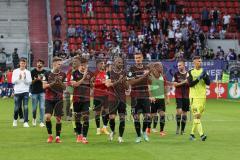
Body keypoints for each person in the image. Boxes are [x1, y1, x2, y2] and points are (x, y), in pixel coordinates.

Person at [127, 52, 151, 143]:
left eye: (139, 58)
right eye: (136, 58)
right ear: (134, 59)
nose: (137, 59)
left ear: (142, 58)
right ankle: (138, 136)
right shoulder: (131, 69)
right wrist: (144, 75)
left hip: (145, 95)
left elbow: (150, 81)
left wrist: (148, 75)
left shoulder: (147, 68)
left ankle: (144, 132)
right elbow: (131, 82)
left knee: (147, 116)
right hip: (135, 96)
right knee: (136, 117)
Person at [43, 57, 66, 143]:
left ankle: (57, 137)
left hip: (59, 99)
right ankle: (50, 136)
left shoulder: (63, 74)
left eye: (61, 64)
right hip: (49, 99)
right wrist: (53, 83)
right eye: (58, 64)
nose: (60, 66)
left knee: (58, 119)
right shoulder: (47, 73)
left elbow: (65, 87)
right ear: (54, 64)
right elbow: (44, 86)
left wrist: (59, 82)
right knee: (47, 117)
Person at [105, 57, 128, 143]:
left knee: (122, 118)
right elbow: (108, 85)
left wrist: (125, 81)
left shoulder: (124, 73)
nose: (120, 64)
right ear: (114, 63)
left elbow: (126, 87)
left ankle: (120, 136)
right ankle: (113, 131)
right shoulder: (109, 73)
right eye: (118, 62)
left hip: (122, 98)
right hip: (112, 98)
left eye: (121, 62)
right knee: (112, 117)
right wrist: (119, 80)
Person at [71, 57, 93, 144]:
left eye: (85, 65)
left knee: (86, 118)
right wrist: (83, 78)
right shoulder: (74, 73)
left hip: (86, 99)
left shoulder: (90, 74)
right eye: (82, 65)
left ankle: (84, 137)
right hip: (76, 99)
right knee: (77, 119)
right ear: (79, 65)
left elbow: (92, 86)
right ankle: (79, 135)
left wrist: (92, 88)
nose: (84, 67)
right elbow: (75, 85)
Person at [187, 56, 210, 141]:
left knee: (198, 117)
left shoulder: (204, 71)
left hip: (202, 97)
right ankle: (202, 135)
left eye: (200, 61)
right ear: (194, 62)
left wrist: (204, 76)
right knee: (197, 116)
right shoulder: (190, 72)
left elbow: (208, 83)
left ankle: (192, 134)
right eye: (198, 61)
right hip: (194, 97)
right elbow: (190, 84)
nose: (200, 63)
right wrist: (199, 78)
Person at [147, 62, 169, 136]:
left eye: (162, 67)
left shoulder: (163, 77)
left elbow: (165, 88)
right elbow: (149, 89)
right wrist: (151, 96)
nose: (162, 68)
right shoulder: (150, 77)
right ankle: (148, 129)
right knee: (152, 115)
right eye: (160, 67)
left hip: (161, 99)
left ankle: (162, 131)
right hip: (153, 99)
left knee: (162, 114)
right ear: (155, 68)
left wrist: (167, 98)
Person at [12, 58, 32, 127]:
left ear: (25, 64)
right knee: (16, 108)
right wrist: (19, 78)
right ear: (19, 63)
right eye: (21, 63)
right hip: (17, 92)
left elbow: (29, 82)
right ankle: (15, 120)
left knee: (26, 107)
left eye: (24, 63)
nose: (23, 64)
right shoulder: (15, 71)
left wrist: (25, 78)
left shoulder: (28, 72)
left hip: (25, 91)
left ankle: (25, 122)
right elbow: (13, 81)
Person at [172, 60, 190, 135]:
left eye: (180, 65)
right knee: (179, 111)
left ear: (184, 65)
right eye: (178, 66)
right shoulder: (176, 74)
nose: (179, 67)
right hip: (178, 95)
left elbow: (190, 83)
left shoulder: (189, 74)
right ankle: (178, 127)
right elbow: (175, 84)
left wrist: (187, 82)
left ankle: (182, 130)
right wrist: (184, 82)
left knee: (185, 113)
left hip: (186, 95)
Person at [93, 59, 110, 135]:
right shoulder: (94, 74)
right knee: (97, 112)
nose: (103, 65)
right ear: (97, 65)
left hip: (105, 95)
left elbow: (108, 83)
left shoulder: (106, 74)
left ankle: (105, 127)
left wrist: (106, 83)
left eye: (103, 63)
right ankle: (98, 129)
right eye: (101, 63)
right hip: (97, 95)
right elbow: (92, 84)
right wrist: (101, 83)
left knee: (106, 111)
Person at [31, 59, 47, 127]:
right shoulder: (32, 71)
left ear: (43, 65)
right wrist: (35, 79)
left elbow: (46, 82)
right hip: (34, 91)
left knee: (42, 107)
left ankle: (41, 121)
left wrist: (41, 80)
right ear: (36, 64)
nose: (39, 64)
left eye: (40, 63)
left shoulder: (45, 72)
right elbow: (30, 82)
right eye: (38, 63)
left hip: (42, 92)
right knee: (34, 108)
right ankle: (34, 118)